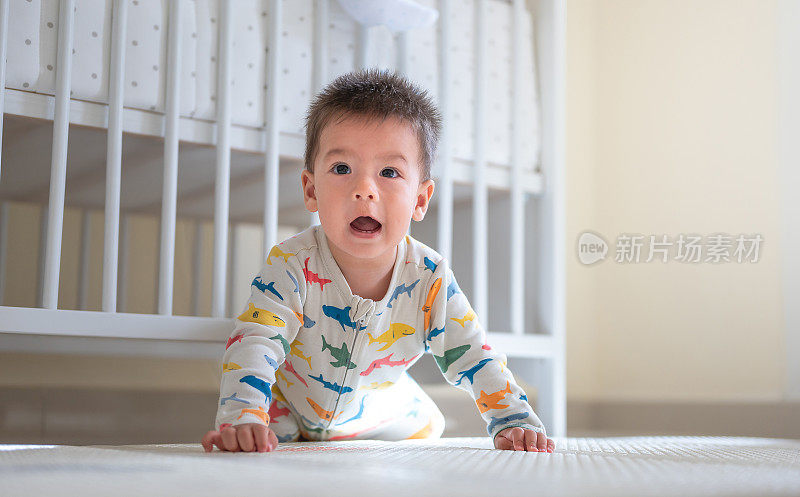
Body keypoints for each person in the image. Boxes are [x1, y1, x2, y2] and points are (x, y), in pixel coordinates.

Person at [201, 68, 555, 454]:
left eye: (389, 172)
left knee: (426, 430)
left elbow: (473, 354)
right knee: (260, 440)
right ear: (311, 189)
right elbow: (256, 341)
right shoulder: (291, 263)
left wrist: (514, 420)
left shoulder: (428, 277)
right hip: (289, 411)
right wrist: (244, 416)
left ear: (420, 200)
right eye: (341, 169)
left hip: (382, 413)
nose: (364, 190)